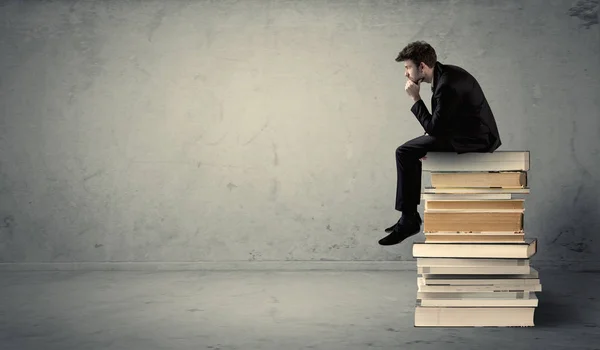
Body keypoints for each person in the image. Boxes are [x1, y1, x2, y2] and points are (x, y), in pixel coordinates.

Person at [378, 41, 502, 246]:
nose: (406, 73)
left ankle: (409, 219)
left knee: (405, 152)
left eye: (408, 67)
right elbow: (441, 122)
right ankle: (408, 218)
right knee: (410, 150)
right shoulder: (443, 75)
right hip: (462, 132)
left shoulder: (446, 85)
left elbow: (436, 128)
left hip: (476, 139)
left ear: (422, 67)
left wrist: (416, 99)